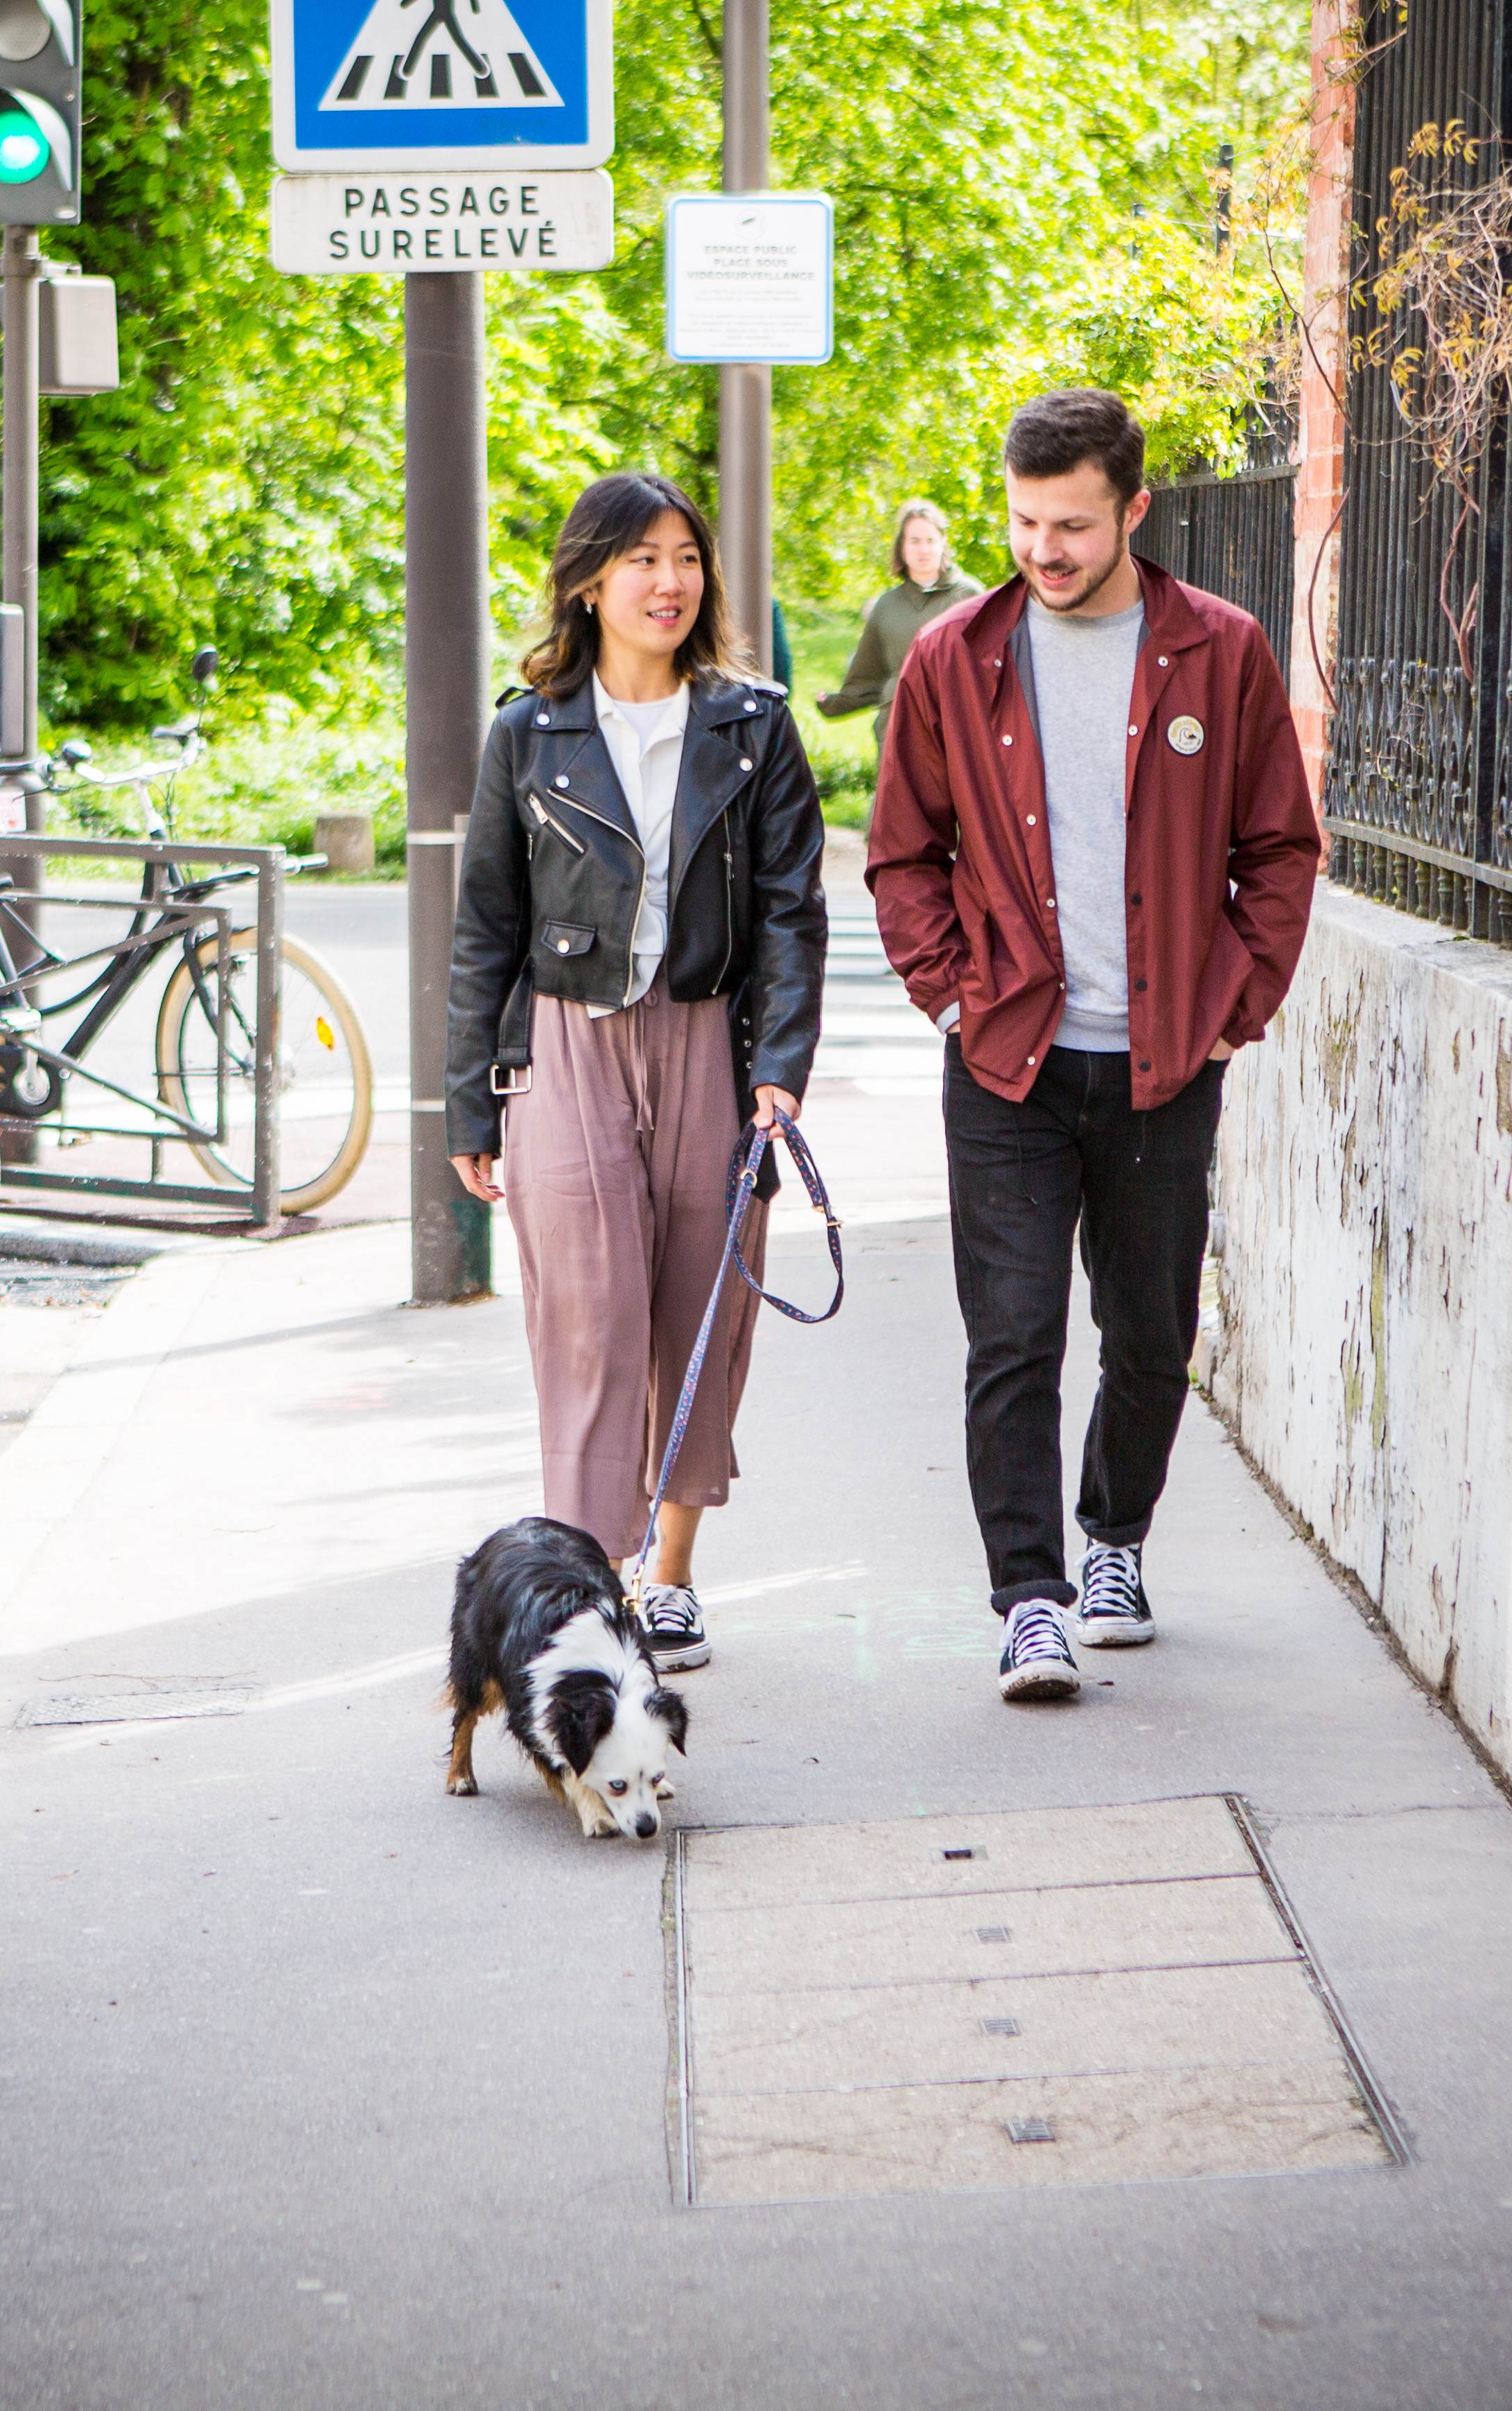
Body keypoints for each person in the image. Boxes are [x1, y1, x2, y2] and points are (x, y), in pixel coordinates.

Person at [863, 389, 1323, 1703]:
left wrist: (1236, 1004)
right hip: (1005, 1060)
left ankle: (1113, 1537)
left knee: (1148, 1332)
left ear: (1133, 511)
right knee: (1011, 1336)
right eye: (1022, 522)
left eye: (1070, 525)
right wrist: (951, 997)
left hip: (1164, 1063)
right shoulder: (955, 659)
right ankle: (1029, 1599)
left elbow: (1280, 847)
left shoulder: (1221, 653)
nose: (1042, 550)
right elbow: (905, 856)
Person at [447, 473, 828, 1674]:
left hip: (711, 1042)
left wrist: (779, 1067)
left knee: (696, 1309)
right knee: (589, 1321)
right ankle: (587, 1576)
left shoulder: (751, 724)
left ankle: (669, 1578)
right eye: (642, 560)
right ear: (589, 581)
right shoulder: (531, 730)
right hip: (565, 1044)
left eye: (686, 557)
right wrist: (472, 1101)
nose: (669, 582)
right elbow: (482, 930)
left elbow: (790, 911)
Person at [814, 500, 982, 741]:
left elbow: (994, 669)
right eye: (914, 541)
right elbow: (869, 674)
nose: (923, 549)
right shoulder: (887, 606)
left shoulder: (971, 596)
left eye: (931, 540)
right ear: (901, 547)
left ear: (943, 543)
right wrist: (835, 703)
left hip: (958, 730)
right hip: (898, 732)